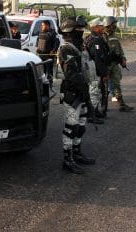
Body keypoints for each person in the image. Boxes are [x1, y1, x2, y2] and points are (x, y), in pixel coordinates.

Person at [58, 17, 96, 174]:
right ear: (70, 32)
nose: (81, 32)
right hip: (72, 93)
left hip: (82, 91)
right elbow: (71, 74)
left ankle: (77, 152)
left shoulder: (78, 47)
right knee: (71, 127)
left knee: (81, 126)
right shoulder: (66, 49)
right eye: (78, 30)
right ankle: (68, 159)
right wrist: (86, 95)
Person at [103, 16, 133, 112]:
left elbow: (119, 49)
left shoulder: (114, 36)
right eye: (113, 24)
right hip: (106, 64)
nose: (115, 26)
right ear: (108, 25)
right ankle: (102, 105)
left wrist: (123, 58)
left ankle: (121, 104)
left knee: (116, 83)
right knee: (103, 85)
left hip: (115, 63)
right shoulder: (102, 36)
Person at [84, 18, 110, 119]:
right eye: (101, 26)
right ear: (95, 28)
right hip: (95, 70)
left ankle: (95, 110)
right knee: (94, 92)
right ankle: (92, 114)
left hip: (94, 69)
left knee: (96, 91)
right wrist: (104, 73)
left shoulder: (92, 38)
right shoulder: (96, 41)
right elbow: (98, 58)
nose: (103, 28)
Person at [36, 20, 60, 85]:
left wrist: (53, 50)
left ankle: (50, 83)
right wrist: (37, 48)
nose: (42, 27)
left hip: (49, 56)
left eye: (43, 25)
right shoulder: (41, 32)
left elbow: (57, 42)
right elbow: (38, 40)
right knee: (42, 71)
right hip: (41, 55)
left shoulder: (53, 33)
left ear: (47, 25)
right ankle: (43, 83)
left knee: (49, 71)